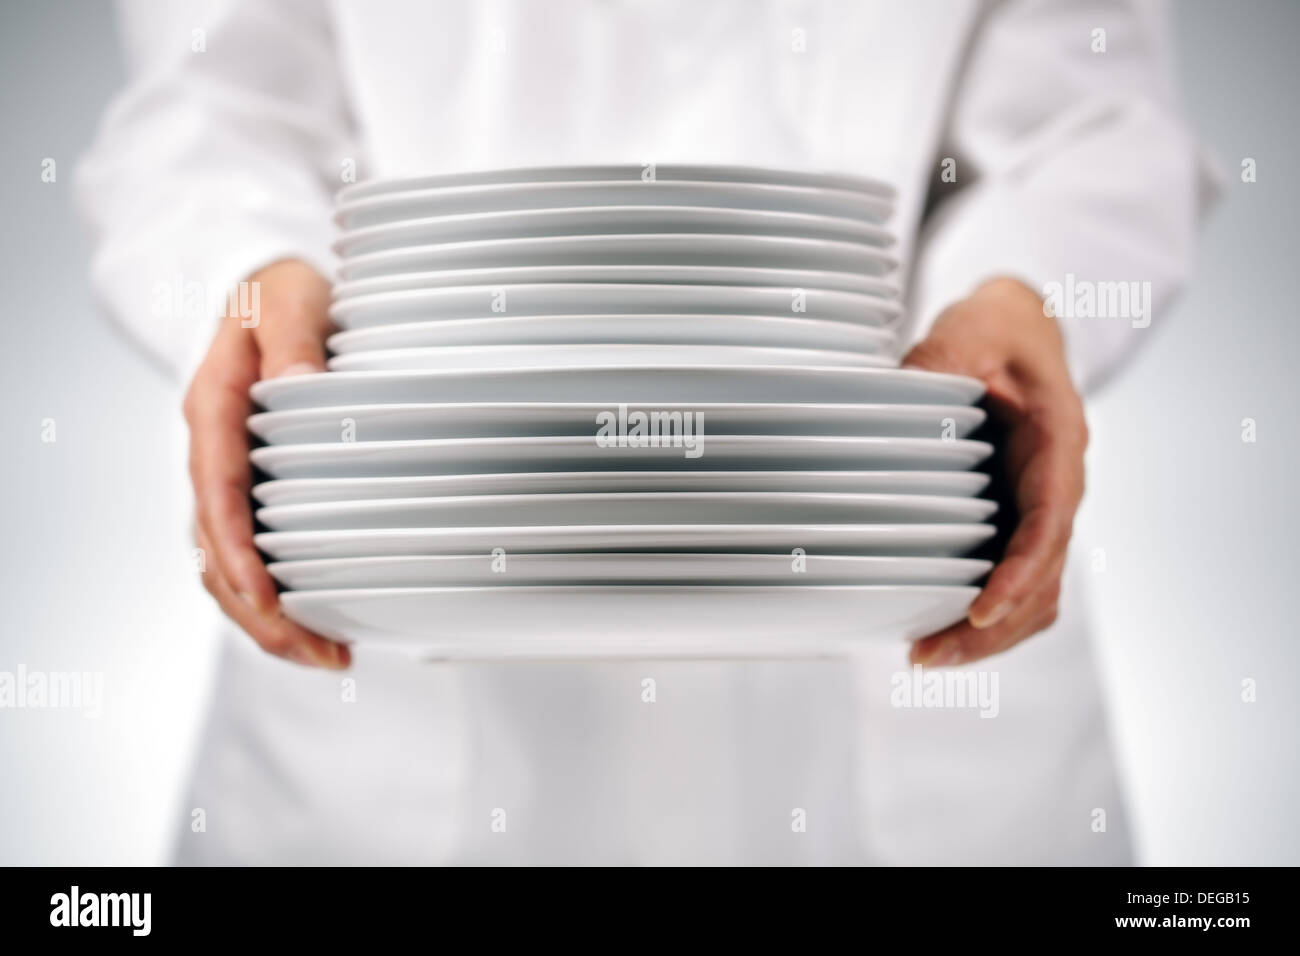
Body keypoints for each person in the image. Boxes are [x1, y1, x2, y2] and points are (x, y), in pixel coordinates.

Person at [77, 0, 1216, 864]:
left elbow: (1091, 115)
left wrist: (1022, 295)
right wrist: (246, 278)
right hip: (398, 573)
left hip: (900, 577)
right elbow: (204, 102)